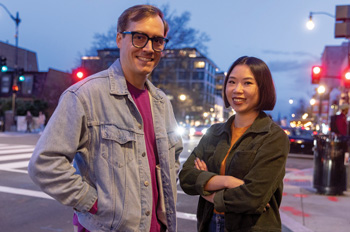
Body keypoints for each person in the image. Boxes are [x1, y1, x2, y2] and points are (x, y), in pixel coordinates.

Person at [28, 4, 183, 232]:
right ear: (120, 39)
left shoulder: (162, 102)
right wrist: (93, 203)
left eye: (157, 41)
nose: (149, 48)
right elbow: (44, 164)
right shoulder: (83, 96)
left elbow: (174, 157)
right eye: (139, 37)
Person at [179, 56, 290, 232]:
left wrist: (206, 189)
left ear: (263, 88)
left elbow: (253, 198)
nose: (237, 89)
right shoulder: (214, 132)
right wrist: (228, 181)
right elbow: (186, 177)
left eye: (247, 83)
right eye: (232, 82)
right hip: (209, 224)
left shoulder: (273, 137)